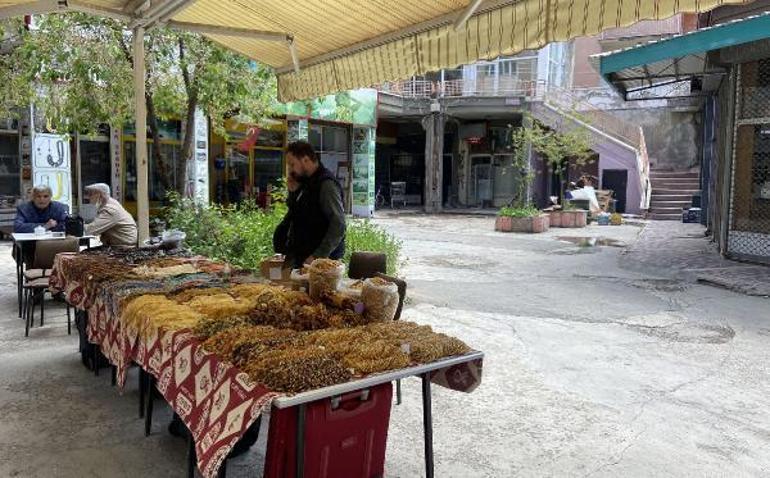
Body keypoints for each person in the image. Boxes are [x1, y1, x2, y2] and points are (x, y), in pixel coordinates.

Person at [275, 141, 345, 268]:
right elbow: (297, 213)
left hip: (321, 264)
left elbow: (338, 224)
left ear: (306, 160)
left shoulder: (326, 184)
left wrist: (318, 256)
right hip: (303, 258)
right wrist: (293, 193)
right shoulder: (305, 182)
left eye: (292, 164)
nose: (290, 170)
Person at [83, 183, 138, 248]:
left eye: (91, 194)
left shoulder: (110, 210)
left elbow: (91, 230)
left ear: (99, 195)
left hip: (122, 247)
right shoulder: (110, 203)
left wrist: (75, 227)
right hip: (118, 245)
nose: (88, 197)